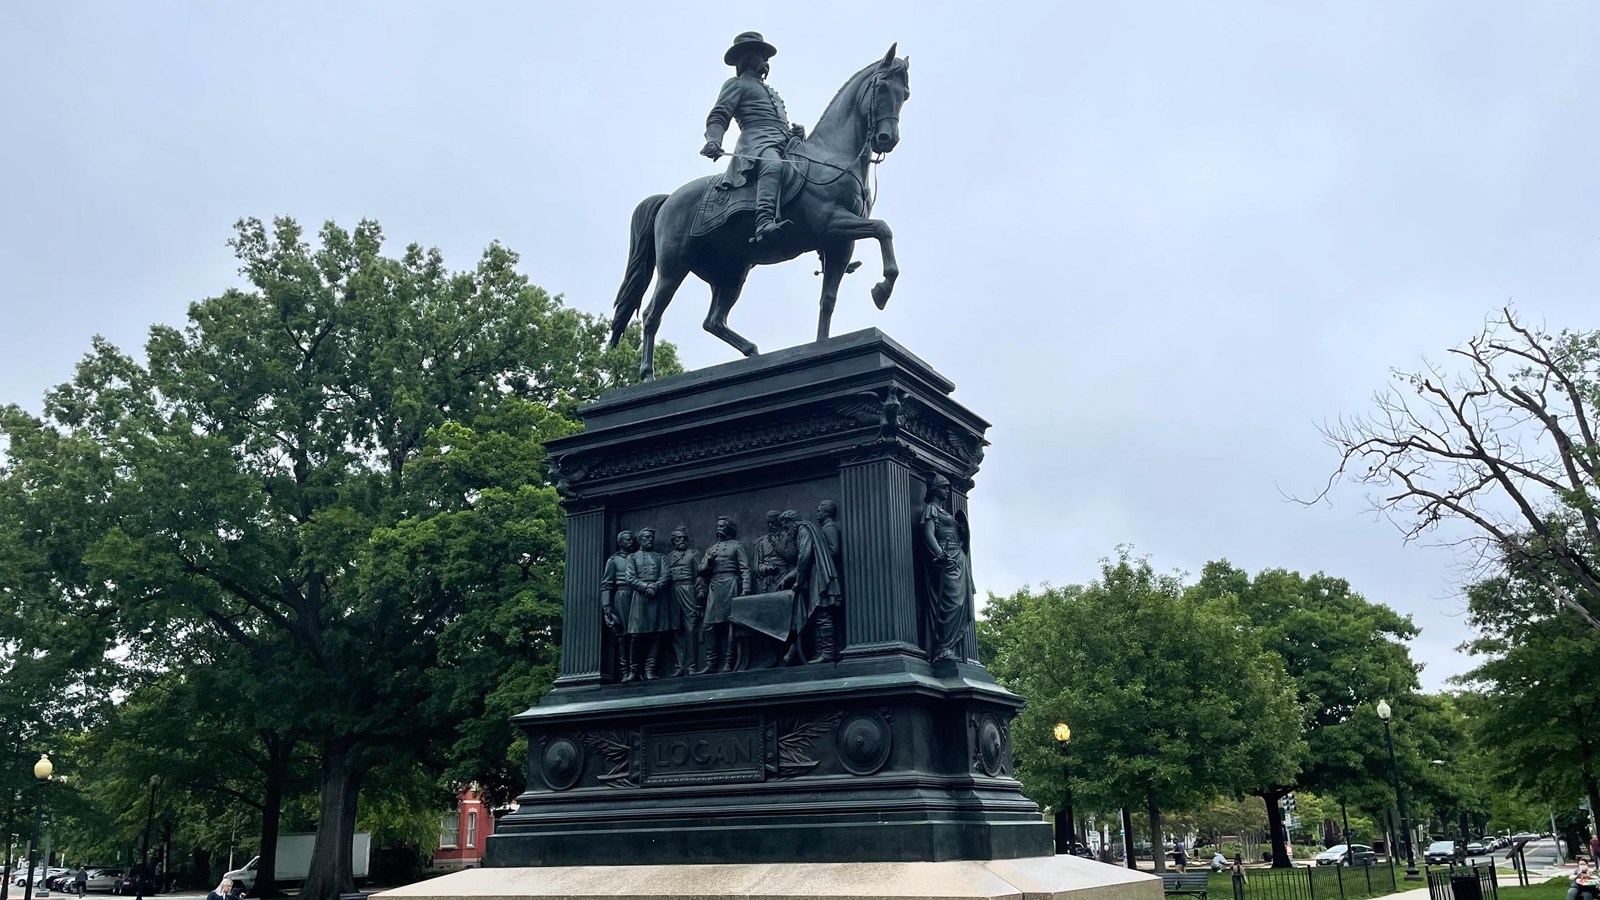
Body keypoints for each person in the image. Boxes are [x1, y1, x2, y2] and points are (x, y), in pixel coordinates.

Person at [701, 31, 806, 243]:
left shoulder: (771, 91)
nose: (766, 60)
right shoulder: (737, 84)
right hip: (757, 143)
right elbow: (719, 115)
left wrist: (797, 133)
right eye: (761, 55)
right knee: (773, 165)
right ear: (747, 58)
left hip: (784, 142)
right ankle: (764, 221)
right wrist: (714, 141)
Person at [918, 474, 976, 661]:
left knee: (961, 603)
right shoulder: (931, 509)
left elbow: (959, 537)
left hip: (958, 558)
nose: (947, 491)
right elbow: (928, 533)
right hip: (946, 560)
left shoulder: (944, 512)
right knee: (952, 603)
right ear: (935, 490)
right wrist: (938, 552)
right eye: (944, 487)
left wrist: (962, 532)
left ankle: (949, 646)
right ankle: (943, 647)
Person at [698, 516, 751, 674]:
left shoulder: (736, 546)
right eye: (717, 526)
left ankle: (729, 662)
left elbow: (745, 568)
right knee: (708, 625)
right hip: (714, 586)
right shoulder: (712, 548)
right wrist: (709, 562)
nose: (718, 529)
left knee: (730, 624)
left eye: (722, 526)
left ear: (729, 528)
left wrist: (746, 587)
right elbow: (700, 570)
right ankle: (711, 663)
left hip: (730, 584)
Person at [625, 527, 672, 680]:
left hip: (658, 598)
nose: (649, 539)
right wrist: (645, 587)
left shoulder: (660, 557)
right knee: (636, 635)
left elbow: (666, 575)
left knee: (657, 634)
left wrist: (655, 586)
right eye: (646, 537)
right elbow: (630, 577)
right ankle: (634, 670)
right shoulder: (632, 557)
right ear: (639, 540)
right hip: (640, 598)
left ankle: (650, 669)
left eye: (651, 537)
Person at [665, 527, 704, 676]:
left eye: (684, 538)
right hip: (672, 593)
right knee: (675, 630)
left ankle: (692, 665)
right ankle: (679, 667)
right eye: (678, 538)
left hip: (688, 591)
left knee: (691, 628)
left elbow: (699, 576)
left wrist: (700, 591)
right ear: (673, 541)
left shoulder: (693, 554)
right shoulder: (667, 558)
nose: (682, 540)